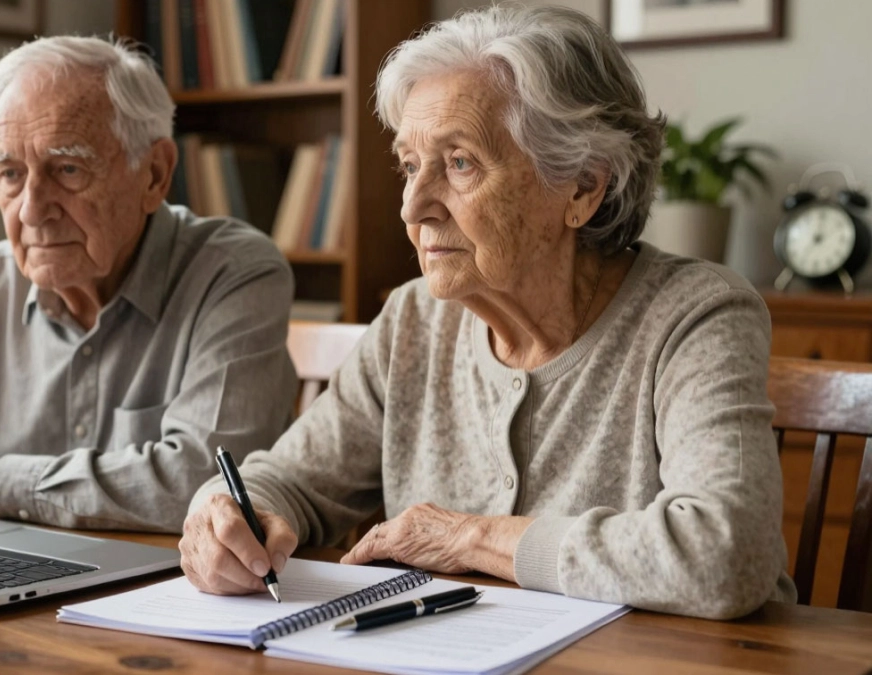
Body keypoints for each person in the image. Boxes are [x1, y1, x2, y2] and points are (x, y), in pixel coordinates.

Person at [179, 6, 796, 619]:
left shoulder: (697, 316)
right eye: (410, 166)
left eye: (460, 163)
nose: (413, 208)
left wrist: (472, 537)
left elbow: (727, 553)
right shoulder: (412, 322)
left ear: (582, 187)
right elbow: (289, 480)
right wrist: (226, 515)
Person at [0, 36, 297, 533]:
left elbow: (204, 482)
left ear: (154, 174)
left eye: (67, 168)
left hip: (169, 591)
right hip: (11, 581)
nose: (32, 210)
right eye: (10, 173)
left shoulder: (235, 275)